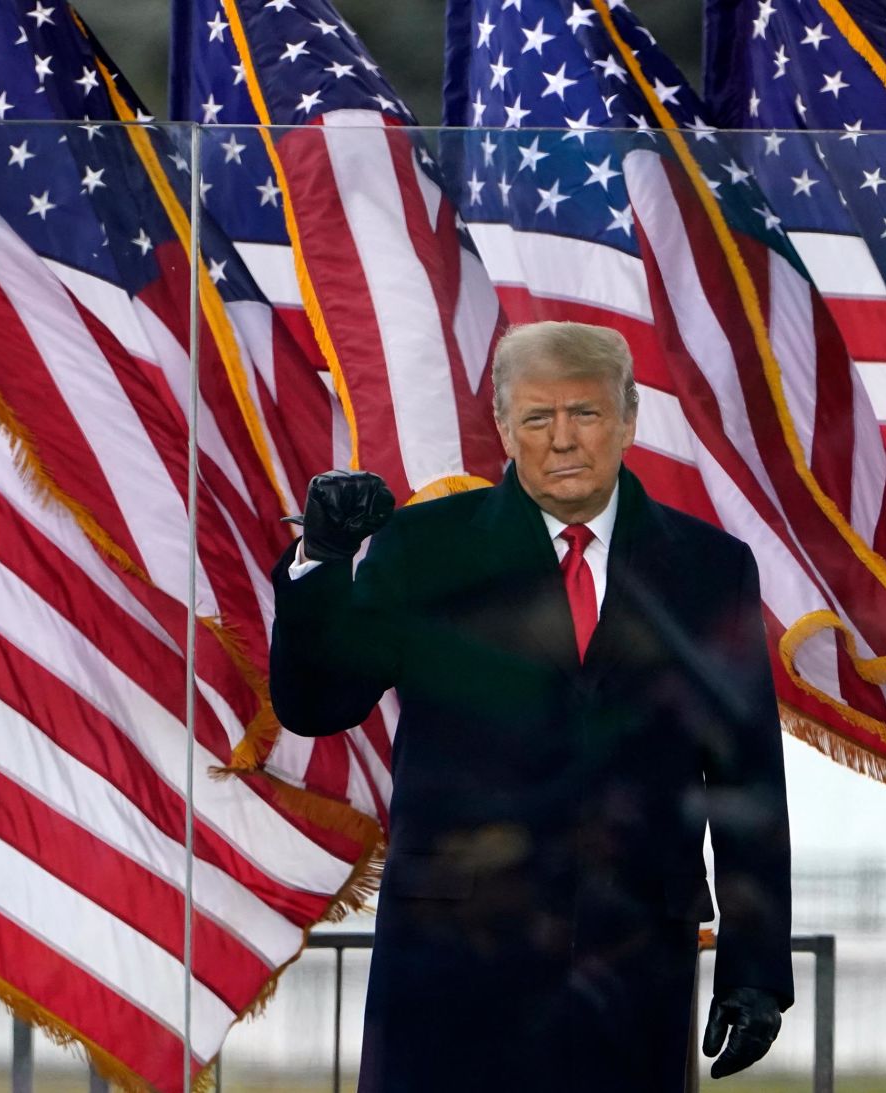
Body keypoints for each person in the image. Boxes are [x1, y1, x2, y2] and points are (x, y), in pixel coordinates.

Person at [268, 321, 791, 1092]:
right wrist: (323, 564)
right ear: (505, 428)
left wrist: (754, 968)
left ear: (629, 416)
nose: (563, 440)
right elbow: (317, 701)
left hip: (633, 963)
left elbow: (745, 775)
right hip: (450, 958)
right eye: (538, 418)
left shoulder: (709, 566)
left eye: (584, 413)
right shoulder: (424, 549)